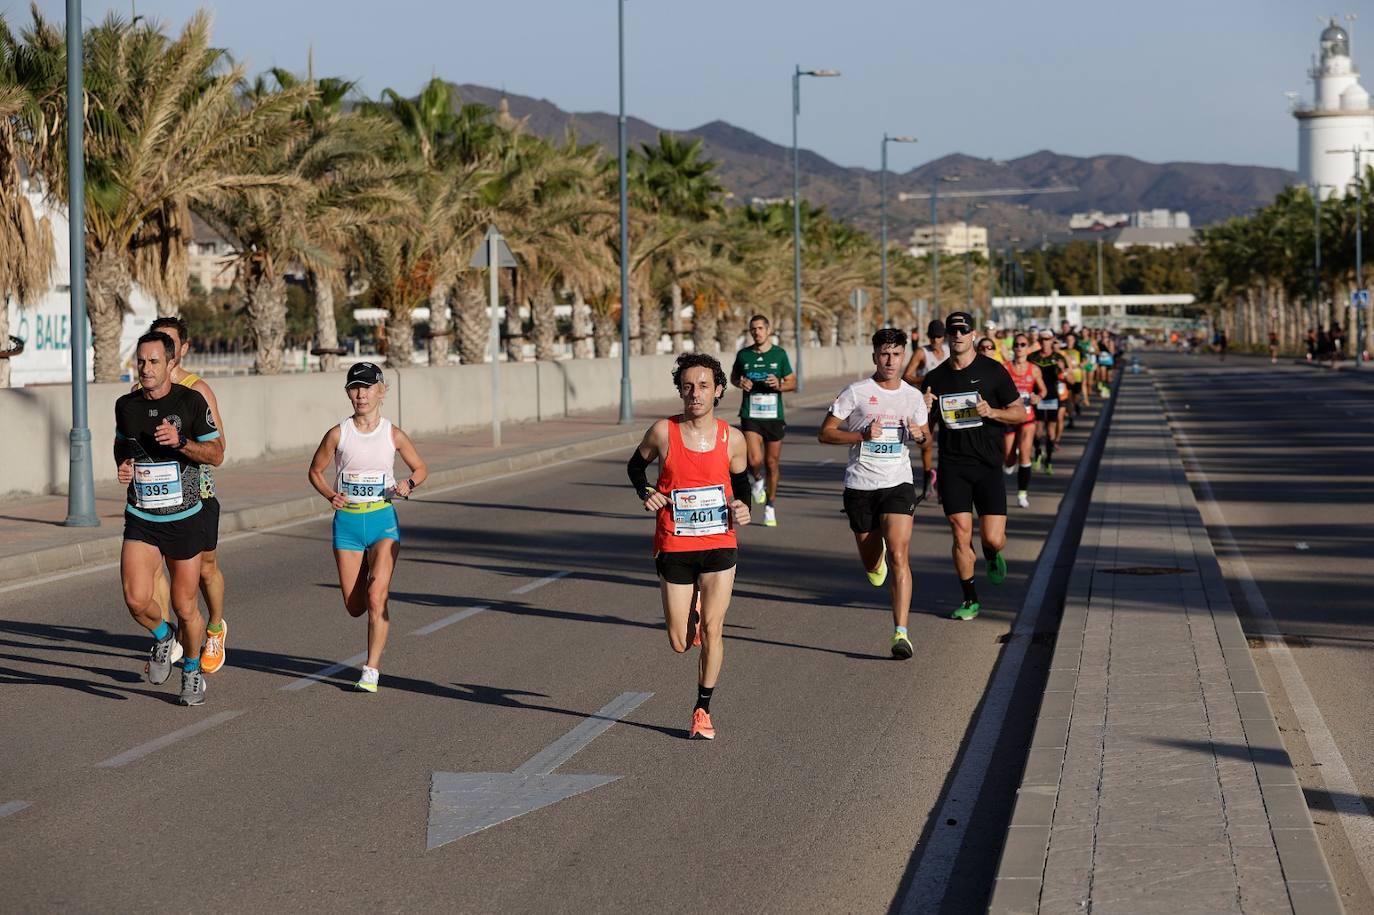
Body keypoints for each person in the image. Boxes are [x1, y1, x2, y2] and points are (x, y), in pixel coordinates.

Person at [627, 353, 751, 740]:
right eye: (687, 386)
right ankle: (691, 610)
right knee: (680, 642)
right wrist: (646, 491)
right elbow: (635, 467)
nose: (693, 393)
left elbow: (741, 481)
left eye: (702, 386)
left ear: (717, 390)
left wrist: (743, 505)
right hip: (675, 543)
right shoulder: (663, 432)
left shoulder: (734, 438)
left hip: (719, 542)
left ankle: (703, 708)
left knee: (715, 630)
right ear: (679, 390)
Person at [115, 332, 224, 705]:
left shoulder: (191, 402)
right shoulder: (125, 406)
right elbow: (121, 446)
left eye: (154, 362)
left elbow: (216, 454)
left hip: (184, 517)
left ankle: (191, 671)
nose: (146, 369)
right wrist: (124, 466)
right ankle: (165, 637)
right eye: (141, 362)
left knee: (185, 606)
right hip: (142, 516)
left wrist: (181, 442)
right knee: (135, 598)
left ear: (170, 363)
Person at [307, 363, 428, 694]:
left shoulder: (393, 434)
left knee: (376, 596)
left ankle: (371, 669)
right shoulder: (338, 433)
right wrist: (330, 494)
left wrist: (408, 484)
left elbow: (420, 468)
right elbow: (315, 471)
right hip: (347, 524)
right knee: (355, 606)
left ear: (381, 391)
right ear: (348, 393)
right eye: (354, 388)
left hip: (382, 521)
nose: (361, 394)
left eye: (367, 387)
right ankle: (373, 588)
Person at [819, 328, 930, 657]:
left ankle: (901, 633)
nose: (890, 360)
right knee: (873, 561)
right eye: (884, 354)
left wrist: (919, 434)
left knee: (899, 554)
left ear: (904, 356)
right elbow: (825, 434)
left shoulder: (911, 396)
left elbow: (925, 439)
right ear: (874, 357)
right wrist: (861, 436)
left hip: (898, 483)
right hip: (860, 486)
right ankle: (873, 564)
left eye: (896, 354)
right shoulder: (856, 392)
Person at [135, 317, 231, 675]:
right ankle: (169, 640)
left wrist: (183, 446)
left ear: (181, 351)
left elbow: (220, 448)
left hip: (198, 494)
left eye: (169, 344)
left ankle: (215, 627)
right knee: (156, 568)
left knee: (205, 568)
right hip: (154, 499)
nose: (161, 352)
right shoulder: (137, 392)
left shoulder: (197, 390)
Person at [921, 312, 1025, 620]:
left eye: (963, 329)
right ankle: (970, 598)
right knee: (960, 532)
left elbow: (1018, 413)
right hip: (953, 465)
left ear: (973, 334)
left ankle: (992, 554)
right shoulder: (935, 378)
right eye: (952, 330)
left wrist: (991, 411)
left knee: (992, 538)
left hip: (988, 465)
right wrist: (924, 412)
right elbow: (924, 435)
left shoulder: (993, 371)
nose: (957, 335)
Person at [730, 314, 795, 528]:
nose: (756, 332)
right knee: (754, 459)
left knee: (772, 463)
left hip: (773, 417)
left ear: (768, 330)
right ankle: (757, 479)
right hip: (751, 414)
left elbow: (792, 382)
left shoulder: (779, 354)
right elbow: (733, 377)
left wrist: (778, 384)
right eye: (753, 329)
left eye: (760, 328)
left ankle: (770, 506)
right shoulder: (744, 355)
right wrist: (741, 383)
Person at [903, 319, 948, 502]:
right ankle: (928, 478)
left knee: (947, 444)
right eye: (932, 337)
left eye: (938, 336)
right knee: (926, 442)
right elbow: (906, 376)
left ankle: (944, 483)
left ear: (943, 337)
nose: (935, 340)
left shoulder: (949, 351)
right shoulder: (922, 352)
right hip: (927, 402)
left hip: (947, 403)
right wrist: (926, 379)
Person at [1002, 333, 1046, 509]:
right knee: (1009, 459)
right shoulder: (1005, 368)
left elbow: (1043, 390)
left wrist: (1037, 397)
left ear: (1028, 349)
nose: (1019, 348)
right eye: (1017, 345)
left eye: (1023, 345)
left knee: (1026, 454)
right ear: (1013, 348)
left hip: (1028, 417)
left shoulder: (1034, 369)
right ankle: (1012, 458)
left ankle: (1022, 493)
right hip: (1010, 416)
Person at [1030, 331, 1069, 475]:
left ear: (1052, 340)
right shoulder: (1032, 357)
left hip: (1053, 396)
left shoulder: (1058, 357)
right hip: (1038, 396)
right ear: (1039, 341)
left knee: (1051, 430)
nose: (1045, 342)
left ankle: (1049, 460)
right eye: (1042, 339)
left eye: (1048, 339)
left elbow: (1068, 379)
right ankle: (1038, 452)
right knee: (1038, 428)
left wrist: (1063, 369)